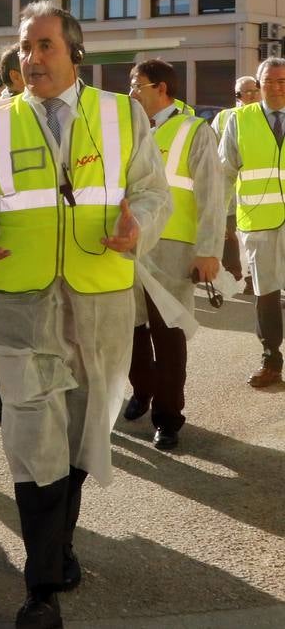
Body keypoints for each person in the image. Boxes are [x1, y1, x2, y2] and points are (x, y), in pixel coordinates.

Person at [0, 1, 170, 629]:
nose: (31, 58)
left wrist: (140, 228)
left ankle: (60, 544)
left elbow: (152, 192)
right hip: (21, 302)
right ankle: (40, 586)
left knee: (79, 429)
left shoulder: (121, 114)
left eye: (44, 46)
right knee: (31, 434)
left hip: (99, 299)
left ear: (75, 54)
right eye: (24, 47)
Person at [124, 60, 223, 450]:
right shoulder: (128, 131)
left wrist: (209, 251)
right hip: (128, 249)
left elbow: (212, 195)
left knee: (168, 338)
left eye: (137, 86)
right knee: (129, 333)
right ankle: (142, 391)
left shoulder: (195, 130)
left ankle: (168, 417)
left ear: (160, 88)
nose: (131, 93)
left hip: (173, 251)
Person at [218, 57, 285, 389]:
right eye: (268, 82)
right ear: (258, 87)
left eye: (281, 81)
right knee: (266, 294)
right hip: (258, 224)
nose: (274, 87)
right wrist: (216, 218)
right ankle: (271, 360)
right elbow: (225, 173)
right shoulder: (239, 120)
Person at [0, 42, 27, 425]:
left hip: (55, 241)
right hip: (7, 243)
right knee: (8, 330)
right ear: (16, 76)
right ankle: (3, 393)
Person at [213, 75, 260, 292]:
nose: (251, 95)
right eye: (245, 92)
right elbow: (214, 153)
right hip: (230, 190)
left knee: (255, 239)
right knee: (229, 236)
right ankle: (234, 274)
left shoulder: (266, 116)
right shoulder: (224, 118)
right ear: (237, 95)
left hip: (256, 190)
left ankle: (254, 279)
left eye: (254, 90)